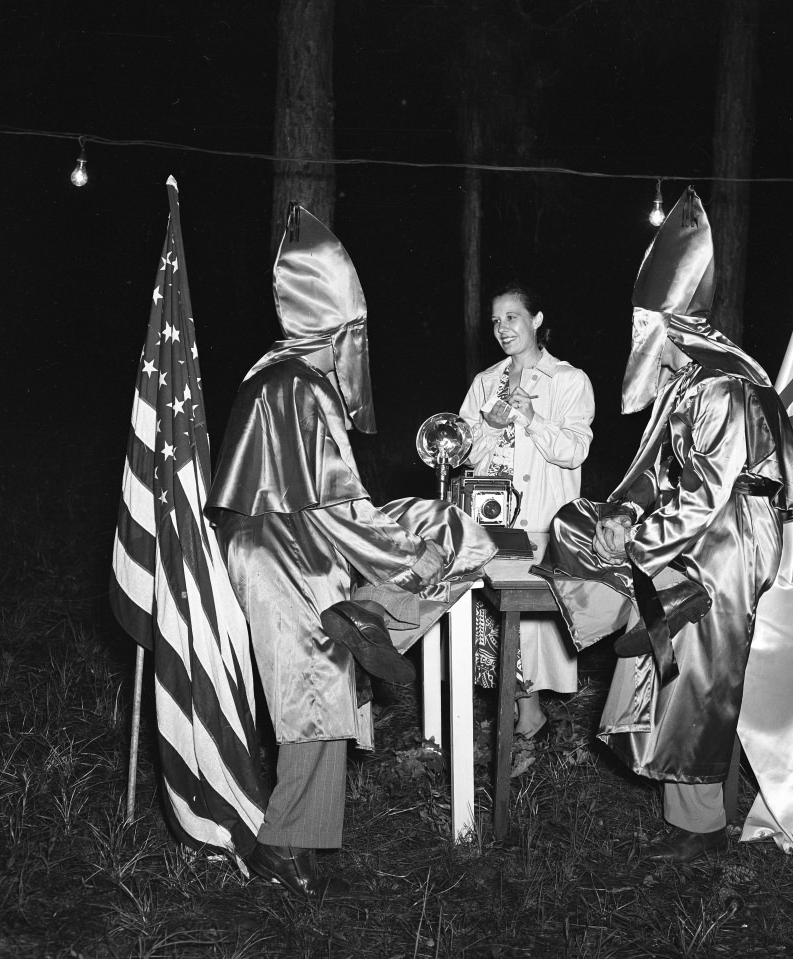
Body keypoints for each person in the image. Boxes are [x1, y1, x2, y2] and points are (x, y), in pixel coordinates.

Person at [206, 205, 496, 902]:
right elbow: (338, 506)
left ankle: (307, 835)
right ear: (335, 330)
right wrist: (407, 560)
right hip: (284, 556)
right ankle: (283, 848)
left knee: (333, 675)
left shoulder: (273, 371)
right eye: (352, 336)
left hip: (292, 544)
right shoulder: (301, 386)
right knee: (314, 692)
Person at [534, 188, 793, 862]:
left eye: (644, 326)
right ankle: (611, 623)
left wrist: (642, 545)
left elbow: (708, 495)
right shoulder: (688, 380)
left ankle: (700, 831)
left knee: (694, 670)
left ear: (671, 325)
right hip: (695, 530)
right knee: (575, 522)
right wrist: (623, 514)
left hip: (727, 543)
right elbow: (659, 471)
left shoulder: (721, 384)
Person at [458, 283, 595, 738]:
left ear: (536, 321)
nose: (502, 328)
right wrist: (492, 429)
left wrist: (530, 418)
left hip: (537, 521)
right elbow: (467, 454)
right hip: (490, 520)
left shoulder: (569, 380)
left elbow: (574, 450)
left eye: (512, 317)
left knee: (528, 629)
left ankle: (526, 719)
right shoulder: (484, 382)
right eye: (496, 321)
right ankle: (522, 714)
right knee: (491, 619)